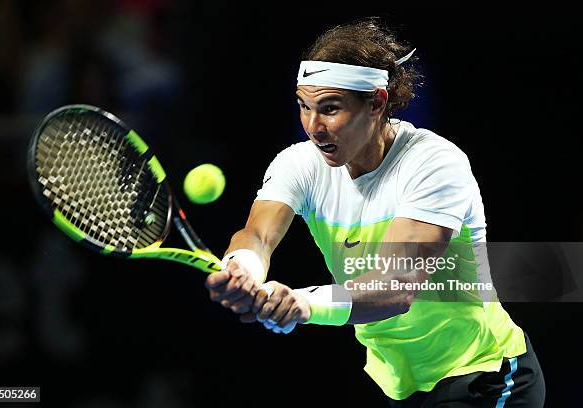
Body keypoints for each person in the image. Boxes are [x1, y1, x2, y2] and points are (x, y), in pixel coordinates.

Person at [205, 18, 545, 407]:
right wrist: (243, 268)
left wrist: (303, 303)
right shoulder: (299, 163)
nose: (314, 127)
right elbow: (259, 235)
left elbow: (398, 286)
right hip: (400, 384)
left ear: (377, 102)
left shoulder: (434, 162)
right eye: (304, 106)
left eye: (330, 109)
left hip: (484, 376)